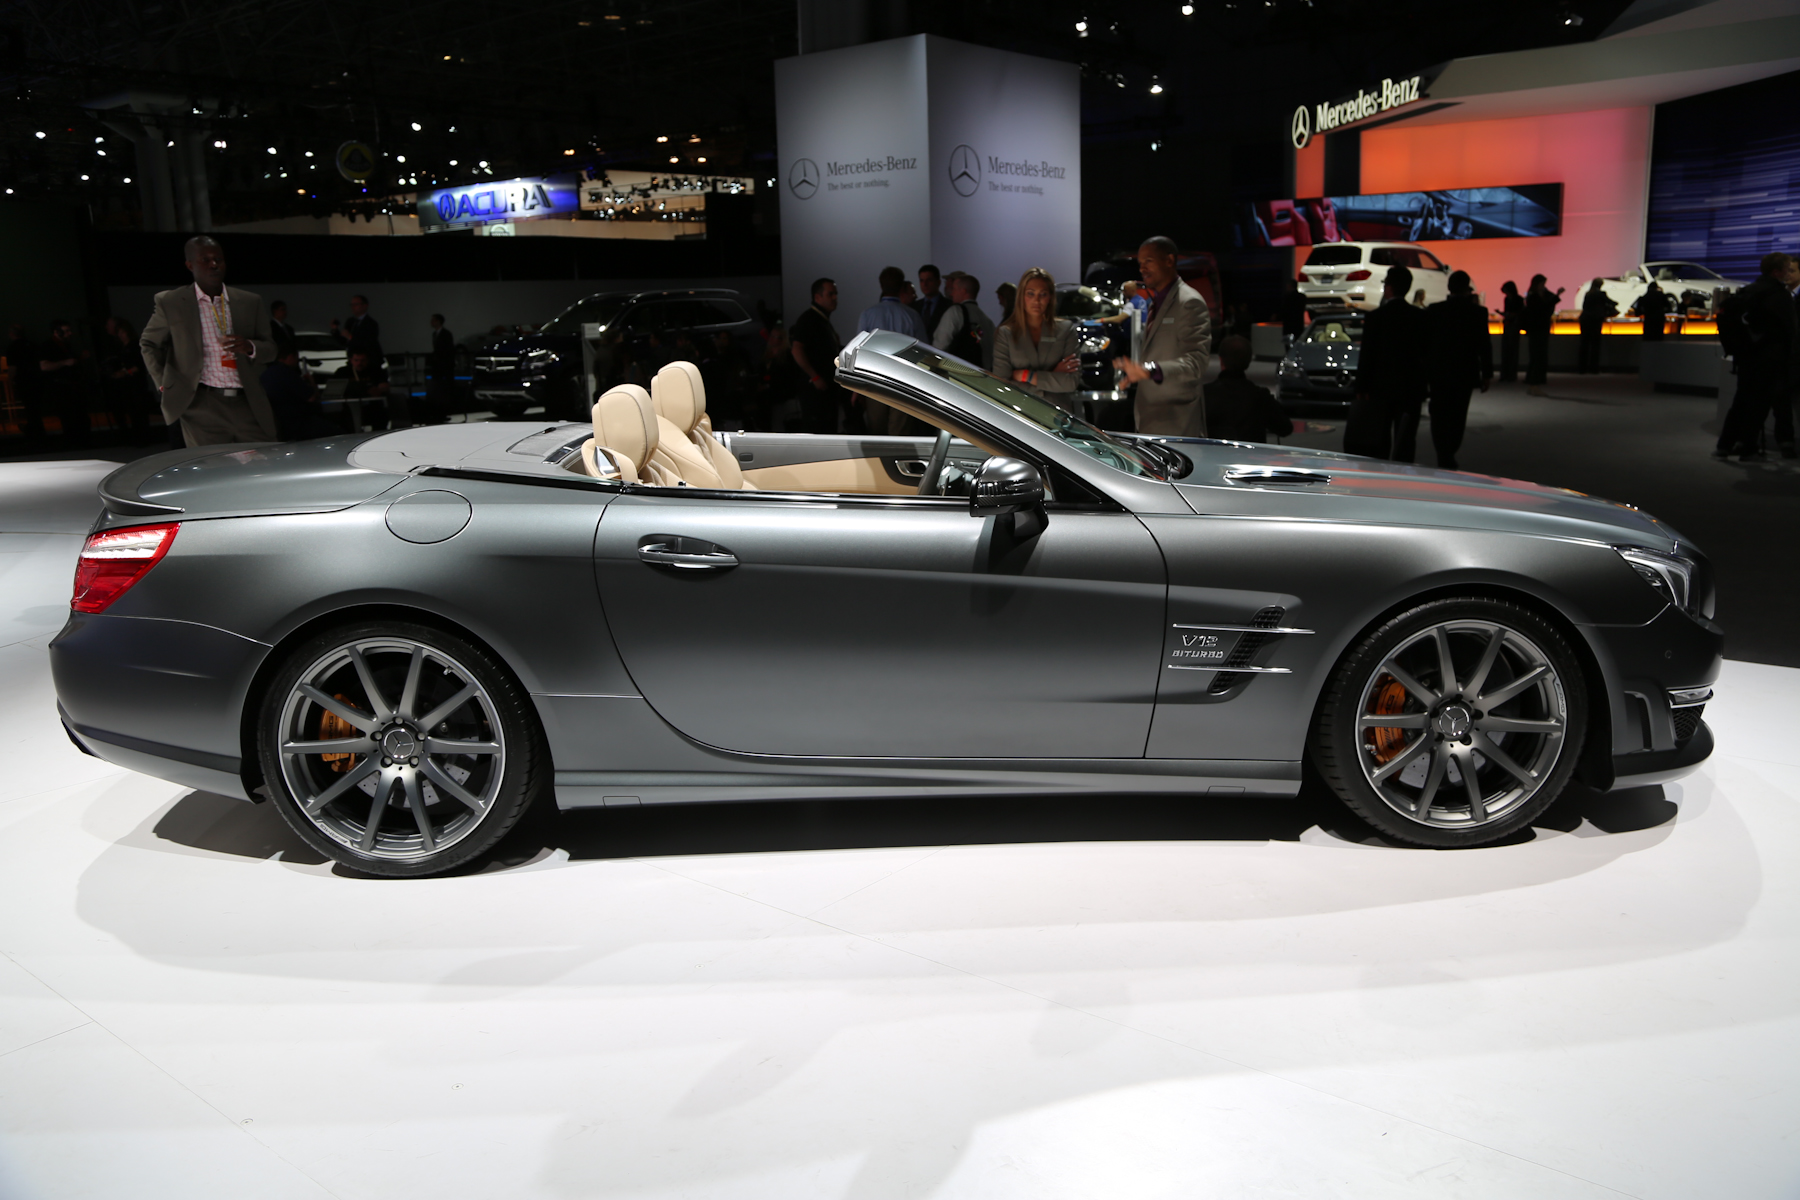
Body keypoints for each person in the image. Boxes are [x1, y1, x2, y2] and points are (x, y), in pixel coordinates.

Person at [141, 236, 280, 445]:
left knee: (265, 459)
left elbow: (271, 350)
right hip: (201, 404)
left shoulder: (250, 301)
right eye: (205, 260)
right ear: (190, 265)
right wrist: (164, 383)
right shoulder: (172, 302)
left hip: (247, 400)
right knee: (213, 463)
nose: (214, 264)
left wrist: (250, 346)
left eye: (218, 259)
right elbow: (149, 344)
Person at [1112, 236, 1213, 436]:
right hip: (1152, 418)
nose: (1142, 268)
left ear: (1169, 260)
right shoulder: (1155, 303)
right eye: (1140, 263)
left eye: (1148, 261)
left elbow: (1197, 363)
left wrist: (1150, 370)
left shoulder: (1190, 302)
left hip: (1176, 421)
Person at [1715, 251, 1800, 461]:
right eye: (1786, 269)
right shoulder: (1779, 295)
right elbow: (1789, 329)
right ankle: (1749, 448)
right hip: (1772, 359)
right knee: (1762, 404)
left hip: (1746, 357)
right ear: (1777, 271)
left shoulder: (1749, 291)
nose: (1788, 273)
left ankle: (1725, 445)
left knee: (1741, 401)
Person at [1346, 265, 1429, 460]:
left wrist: (1361, 387)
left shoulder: (1376, 317)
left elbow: (1367, 355)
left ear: (1389, 288)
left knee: (1379, 437)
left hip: (1380, 388)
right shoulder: (1420, 317)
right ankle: (1403, 472)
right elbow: (1425, 354)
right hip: (1410, 387)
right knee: (1406, 439)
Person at [1425, 270, 1494, 471]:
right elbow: (1484, 345)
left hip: (1439, 372)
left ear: (1449, 287)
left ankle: (1443, 453)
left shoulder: (1434, 310)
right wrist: (1487, 374)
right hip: (1465, 371)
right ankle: (1449, 452)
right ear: (1467, 289)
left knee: (1438, 414)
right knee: (1458, 414)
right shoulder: (1478, 312)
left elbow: (1426, 343)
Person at [994, 267, 1079, 411]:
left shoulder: (1066, 330)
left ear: (1050, 297)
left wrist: (1026, 375)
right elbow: (1002, 384)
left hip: (1057, 414)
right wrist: (1052, 377)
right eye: (1031, 294)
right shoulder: (1006, 333)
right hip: (1019, 412)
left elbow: (1071, 382)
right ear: (1021, 296)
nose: (1036, 300)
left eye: (1043, 294)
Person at [1202, 335, 1292, 443]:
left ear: (1221, 360)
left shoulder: (1205, 395)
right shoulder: (1260, 397)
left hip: (1213, 453)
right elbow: (1285, 428)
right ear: (1248, 362)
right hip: (1251, 454)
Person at [791, 276, 846, 434]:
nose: (835, 298)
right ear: (817, 297)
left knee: (827, 430)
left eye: (835, 294)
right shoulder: (809, 319)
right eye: (830, 294)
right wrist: (815, 377)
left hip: (825, 388)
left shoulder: (821, 320)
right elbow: (796, 349)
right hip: (815, 391)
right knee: (818, 431)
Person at [261, 346, 333, 440]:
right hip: (298, 421)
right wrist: (311, 382)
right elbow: (311, 397)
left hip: (278, 421)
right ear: (291, 356)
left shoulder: (266, 374)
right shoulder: (287, 373)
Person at [100, 316, 152, 443]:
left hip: (135, 383)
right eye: (119, 333)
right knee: (130, 410)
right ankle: (135, 436)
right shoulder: (120, 347)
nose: (121, 335)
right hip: (125, 385)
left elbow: (139, 365)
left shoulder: (134, 346)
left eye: (123, 332)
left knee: (139, 410)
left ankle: (143, 437)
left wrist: (125, 372)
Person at [930, 271, 997, 370]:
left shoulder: (955, 312)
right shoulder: (988, 321)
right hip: (984, 374)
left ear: (963, 291)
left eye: (954, 289)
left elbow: (939, 346)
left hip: (959, 373)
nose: (952, 293)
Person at [38, 319, 89, 447]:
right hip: (61, 388)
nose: (69, 333)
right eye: (66, 331)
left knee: (78, 416)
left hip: (70, 386)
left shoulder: (66, 345)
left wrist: (79, 359)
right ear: (57, 332)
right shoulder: (48, 346)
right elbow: (44, 366)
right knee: (69, 417)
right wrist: (64, 363)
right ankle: (74, 443)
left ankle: (80, 442)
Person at [856, 267, 928, 342]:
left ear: (881, 286)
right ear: (901, 287)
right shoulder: (912, 316)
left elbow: (859, 345)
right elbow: (922, 344)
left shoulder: (867, 315)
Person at [335, 349, 398, 429]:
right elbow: (336, 388)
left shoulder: (375, 371)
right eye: (356, 360)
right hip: (350, 407)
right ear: (351, 360)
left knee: (380, 415)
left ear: (367, 360)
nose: (359, 363)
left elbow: (384, 385)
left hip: (373, 407)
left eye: (362, 360)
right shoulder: (343, 372)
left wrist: (380, 388)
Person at [4, 323, 43, 448]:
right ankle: (37, 433)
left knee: (29, 408)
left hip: (23, 381)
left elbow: (13, 368)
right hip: (36, 379)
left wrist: (10, 380)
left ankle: (33, 434)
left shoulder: (12, 348)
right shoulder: (32, 345)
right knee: (35, 408)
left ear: (11, 334)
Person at [1523, 274, 1562, 395]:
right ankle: (1534, 384)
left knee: (1536, 357)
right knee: (1538, 357)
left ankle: (1533, 384)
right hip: (1538, 329)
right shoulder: (1534, 297)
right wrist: (1556, 296)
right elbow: (1542, 309)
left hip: (1538, 329)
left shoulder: (1535, 295)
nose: (1543, 286)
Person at [1578, 279, 1617, 374]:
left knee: (1584, 344)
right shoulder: (1601, 294)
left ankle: (1582, 369)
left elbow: (1584, 307)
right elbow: (1613, 303)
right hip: (1595, 321)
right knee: (1595, 345)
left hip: (1585, 320)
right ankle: (1593, 368)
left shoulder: (1588, 294)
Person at [331, 294, 382, 362]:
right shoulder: (351, 321)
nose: (353, 307)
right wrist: (335, 330)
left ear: (365, 306)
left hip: (367, 360)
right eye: (351, 305)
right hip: (353, 359)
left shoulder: (371, 323)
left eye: (356, 304)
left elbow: (367, 343)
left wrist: (350, 337)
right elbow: (343, 342)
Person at [426, 313, 456, 424]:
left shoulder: (446, 334)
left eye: (433, 320)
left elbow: (448, 350)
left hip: (445, 366)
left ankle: (445, 411)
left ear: (439, 321)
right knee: (438, 389)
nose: (431, 322)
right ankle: (439, 412)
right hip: (438, 366)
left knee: (445, 389)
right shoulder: (435, 334)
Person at [1497, 281, 1525, 382]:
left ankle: (1509, 374)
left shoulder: (1514, 299)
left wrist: (1508, 315)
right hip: (1510, 325)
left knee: (1510, 350)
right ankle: (1508, 374)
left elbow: (1519, 312)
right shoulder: (1515, 299)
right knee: (1509, 350)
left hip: (1512, 325)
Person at [914, 264, 951, 337]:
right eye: (922, 280)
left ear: (938, 282)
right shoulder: (914, 306)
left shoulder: (949, 306)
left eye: (929, 280)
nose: (925, 284)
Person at [1276, 277, 1309, 347]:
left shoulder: (1287, 297)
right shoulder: (1302, 297)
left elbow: (1284, 311)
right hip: (1298, 327)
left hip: (1289, 327)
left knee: (1288, 347)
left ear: (1290, 286)